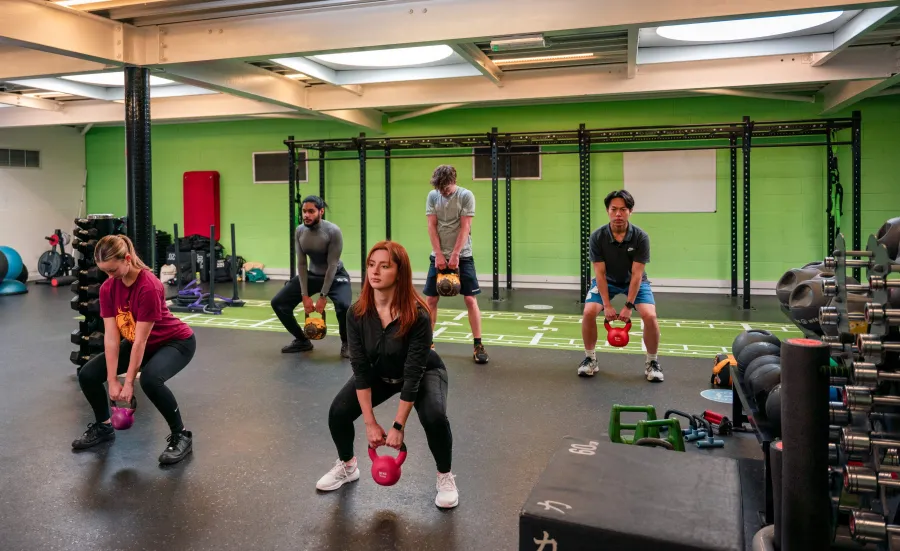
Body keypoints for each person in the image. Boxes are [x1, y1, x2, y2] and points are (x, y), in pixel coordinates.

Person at [315, 240, 459, 509]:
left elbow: (413, 374)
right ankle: (347, 466)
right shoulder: (356, 314)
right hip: (380, 373)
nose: (375, 272)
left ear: (399, 272)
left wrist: (397, 427)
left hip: (423, 372)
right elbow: (359, 369)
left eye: (384, 266)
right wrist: (370, 423)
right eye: (371, 265)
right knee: (339, 412)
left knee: (434, 416)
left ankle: (445, 476)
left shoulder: (418, 315)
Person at [72, 235, 197, 465]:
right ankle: (103, 426)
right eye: (105, 272)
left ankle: (181, 435)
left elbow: (140, 342)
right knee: (88, 374)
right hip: (139, 342)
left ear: (127, 259)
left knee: (150, 380)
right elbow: (111, 337)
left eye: (113, 270)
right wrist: (111, 380)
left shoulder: (148, 286)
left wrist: (129, 382)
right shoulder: (108, 288)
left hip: (175, 342)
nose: (110, 276)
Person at [578, 190, 663, 382]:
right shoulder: (597, 237)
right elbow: (599, 274)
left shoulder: (641, 237)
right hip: (607, 280)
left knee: (650, 315)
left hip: (635, 281)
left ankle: (652, 362)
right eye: (614, 209)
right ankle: (590, 359)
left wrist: (628, 306)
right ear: (608, 211)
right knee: (589, 311)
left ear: (630, 211)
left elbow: (637, 275)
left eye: (623, 209)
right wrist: (607, 305)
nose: (618, 214)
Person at [271, 196, 352, 359]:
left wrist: (323, 297)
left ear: (321, 212)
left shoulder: (333, 231)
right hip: (312, 274)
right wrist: (304, 295)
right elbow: (301, 264)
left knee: (344, 306)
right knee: (278, 303)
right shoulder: (300, 231)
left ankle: (347, 343)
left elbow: (332, 266)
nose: (306, 215)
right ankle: (302, 340)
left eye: (311, 211)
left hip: (335, 276)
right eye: (304, 211)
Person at [423, 165, 488, 364]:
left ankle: (478, 344)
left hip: (463, 255)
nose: (442, 192)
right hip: (439, 255)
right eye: (439, 188)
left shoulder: (466, 195)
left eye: (445, 188)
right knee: (431, 300)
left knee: (470, 299)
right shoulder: (433, 196)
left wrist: (456, 255)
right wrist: (440, 255)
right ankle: (427, 343)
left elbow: (465, 227)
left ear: (453, 181)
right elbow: (431, 227)